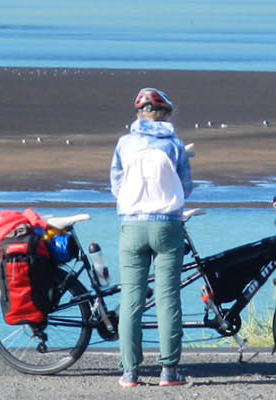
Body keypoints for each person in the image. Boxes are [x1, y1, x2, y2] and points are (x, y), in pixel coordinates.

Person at [110, 87, 193, 387]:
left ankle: (129, 372)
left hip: (131, 225)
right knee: (167, 297)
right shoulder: (174, 145)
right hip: (167, 225)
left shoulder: (123, 144)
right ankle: (168, 371)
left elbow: (115, 184)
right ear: (165, 115)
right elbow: (186, 185)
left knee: (131, 300)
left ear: (139, 114)